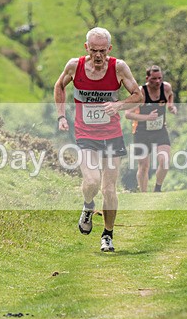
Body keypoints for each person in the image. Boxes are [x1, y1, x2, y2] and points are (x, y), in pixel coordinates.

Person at [54, 27, 143, 252]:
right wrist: (61, 116)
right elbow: (59, 86)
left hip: (112, 136)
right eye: (94, 50)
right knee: (92, 181)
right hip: (85, 135)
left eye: (102, 51)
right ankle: (87, 207)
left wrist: (118, 105)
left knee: (110, 189)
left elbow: (138, 96)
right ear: (86, 48)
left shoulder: (119, 68)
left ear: (109, 49)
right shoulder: (75, 66)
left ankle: (107, 235)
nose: (98, 55)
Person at [126, 65, 177, 192]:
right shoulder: (141, 92)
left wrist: (171, 106)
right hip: (141, 132)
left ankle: (157, 189)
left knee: (164, 161)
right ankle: (144, 194)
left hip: (160, 131)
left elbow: (170, 95)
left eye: (160, 78)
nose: (158, 81)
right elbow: (128, 114)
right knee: (144, 166)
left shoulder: (166, 87)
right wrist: (147, 117)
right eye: (154, 79)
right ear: (147, 78)